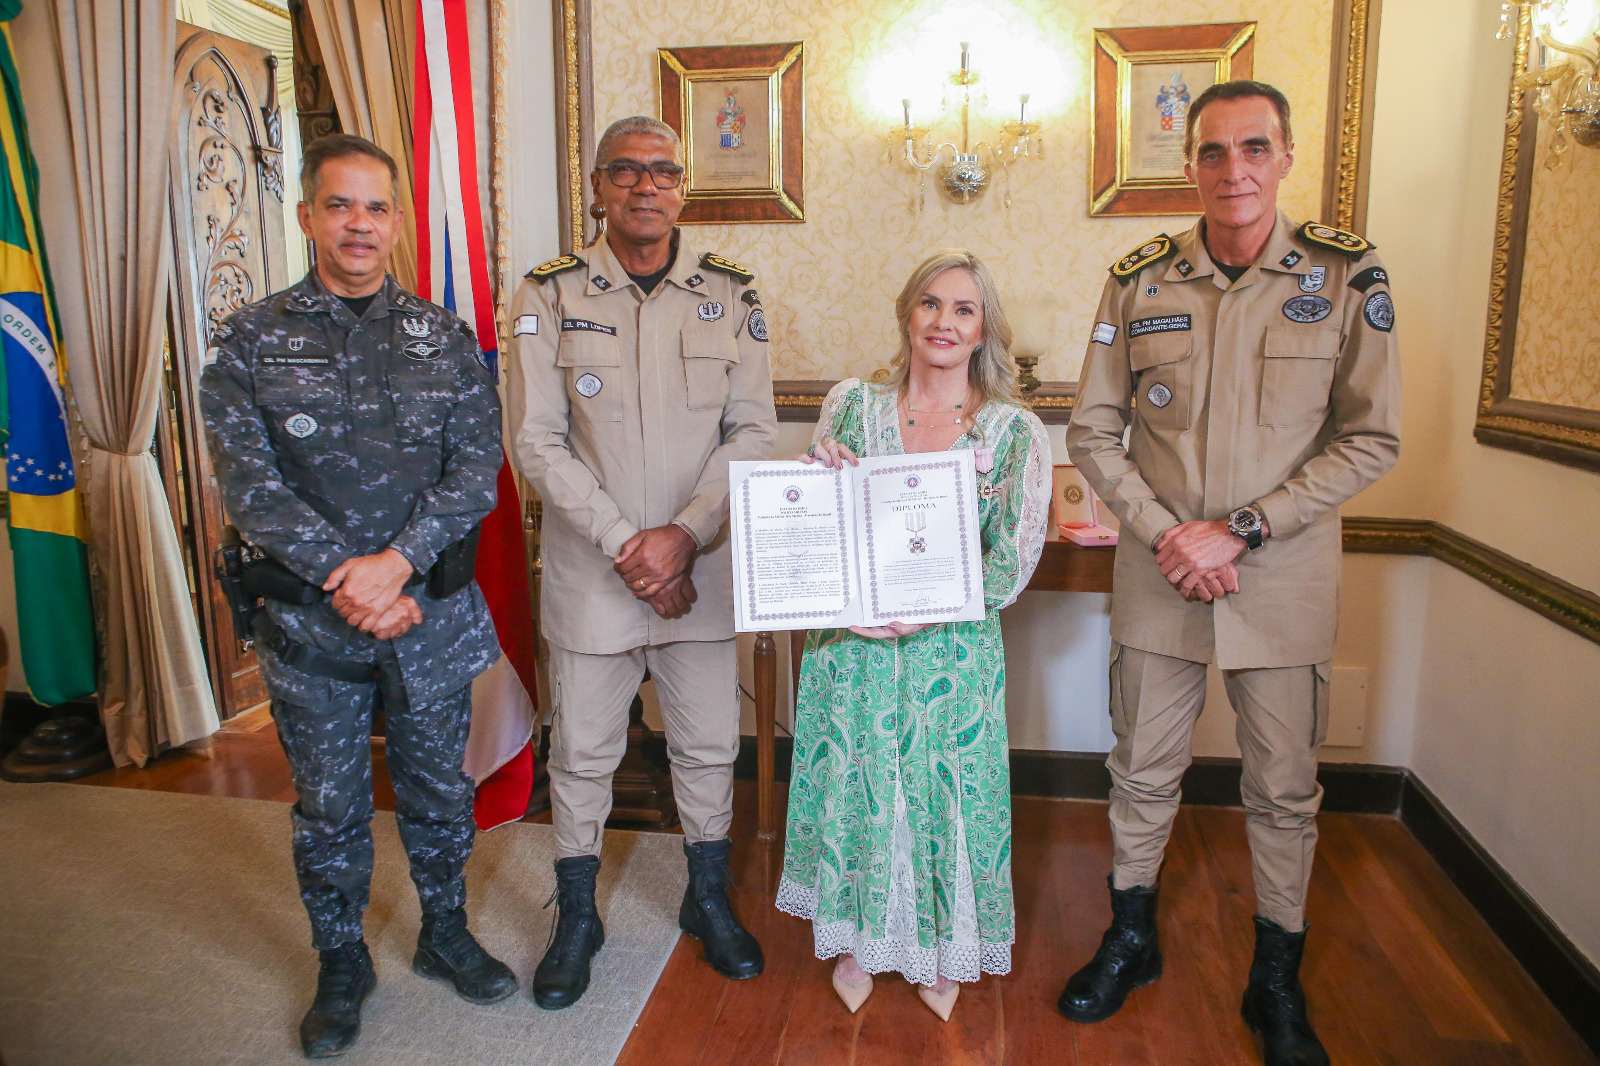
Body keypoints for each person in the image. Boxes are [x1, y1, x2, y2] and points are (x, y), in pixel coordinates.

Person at [1062, 81, 1401, 1066]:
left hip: (1283, 573)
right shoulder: (1138, 279)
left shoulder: (1345, 274)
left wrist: (1242, 530)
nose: (1233, 169)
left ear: (1285, 156)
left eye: (1254, 148)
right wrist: (1174, 534)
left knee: (1284, 787)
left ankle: (1275, 971)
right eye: (1213, 152)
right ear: (1190, 166)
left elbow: (1370, 437)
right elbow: (1092, 427)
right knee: (1140, 766)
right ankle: (1132, 934)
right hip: (1157, 569)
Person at [200, 134, 517, 1059]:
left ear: (397, 222)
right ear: (307, 217)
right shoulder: (250, 340)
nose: (359, 225)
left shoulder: (443, 338)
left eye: (376, 208)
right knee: (331, 803)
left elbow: (476, 473)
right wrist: (356, 578)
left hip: (429, 618)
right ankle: (341, 957)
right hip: (313, 625)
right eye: (340, 206)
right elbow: (250, 487)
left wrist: (397, 564)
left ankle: (445, 930)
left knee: (436, 788)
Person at [504, 115, 777, 1009]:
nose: (646, 186)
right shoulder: (546, 294)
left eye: (663, 171)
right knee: (581, 753)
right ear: (597, 186)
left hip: (697, 573)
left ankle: (707, 898)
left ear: (682, 188)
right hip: (596, 573)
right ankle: (577, 914)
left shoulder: (733, 295)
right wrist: (631, 543)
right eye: (626, 171)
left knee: (706, 745)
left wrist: (684, 537)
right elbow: (536, 442)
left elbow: (753, 432)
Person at [776, 249, 1052, 1021]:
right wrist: (817, 472)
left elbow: (1016, 555)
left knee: (943, 790)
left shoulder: (1011, 432)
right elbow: (821, 527)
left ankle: (940, 946)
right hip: (853, 644)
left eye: (963, 309)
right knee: (859, 784)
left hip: (951, 650)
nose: (943, 321)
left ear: (983, 329)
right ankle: (858, 938)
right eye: (930, 304)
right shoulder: (852, 406)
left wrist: (938, 607)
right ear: (907, 314)